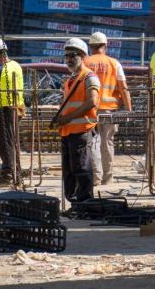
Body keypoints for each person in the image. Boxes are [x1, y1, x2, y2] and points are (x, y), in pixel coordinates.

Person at [56, 38, 100, 203]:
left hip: (81, 130)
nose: (68, 59)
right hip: (68, 131)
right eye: (66, 56)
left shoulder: (89, 77)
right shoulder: (70, 81)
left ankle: (85, 203)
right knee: (69, 171)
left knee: (81, 168)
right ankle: (74, 203)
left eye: (72, 55)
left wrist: (69, 117)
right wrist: (62, 118)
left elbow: (92, 101)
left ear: (82, 55)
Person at [84, 32, 130, 186]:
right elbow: (123, 88)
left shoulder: (84, 62)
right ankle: (108, 178)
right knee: (107, 142)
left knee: (93, 143)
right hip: (109, 110)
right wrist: (129, 109)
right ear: (105, 46)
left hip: (89, 109)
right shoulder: (114, 63)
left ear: (91, 46)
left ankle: (95, 177)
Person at [0, 37, 23, 186]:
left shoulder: (3, 69)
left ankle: (9, 173)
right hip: (12, 107)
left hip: (6, 108)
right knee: (10, 142)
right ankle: (15, 173)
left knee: (5, 143)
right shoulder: (15, 65)